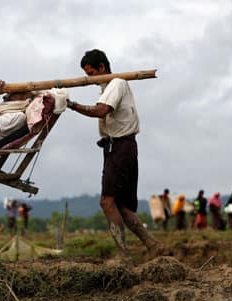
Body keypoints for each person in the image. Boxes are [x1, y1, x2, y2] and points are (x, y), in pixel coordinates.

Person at [66, 49, 165, 261]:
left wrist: (72, 105)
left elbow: (101, 111)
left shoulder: (116, 83)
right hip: (119, 148)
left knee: (107, 202)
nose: (90, 78)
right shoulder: (107, 88)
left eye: (91, 72)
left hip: (120, 148)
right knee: (121, 206)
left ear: (102, 67)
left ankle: (123, 255)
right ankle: (152, 244)